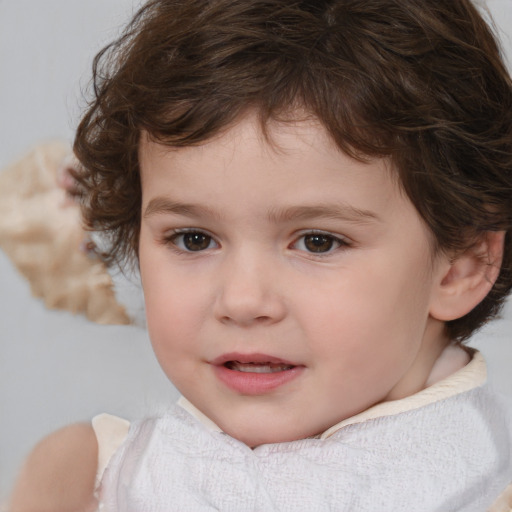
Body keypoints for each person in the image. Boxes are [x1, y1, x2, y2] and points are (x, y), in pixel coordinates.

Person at [8, 0, 512, 510]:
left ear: (461, 266)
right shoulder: (84, 483)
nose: (244, 300)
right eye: (194, 239)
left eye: (318, 241)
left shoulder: (488, 490)